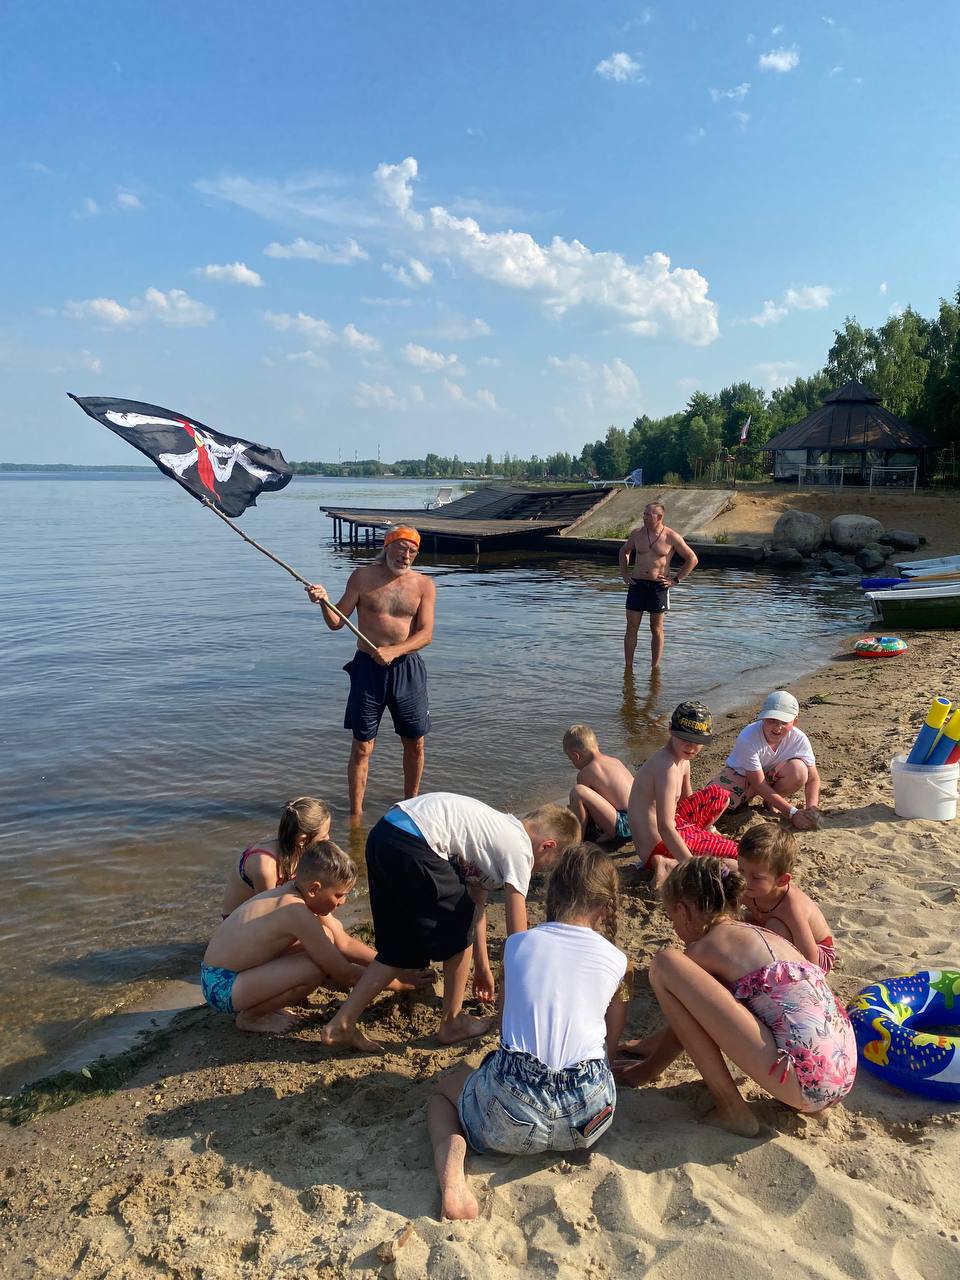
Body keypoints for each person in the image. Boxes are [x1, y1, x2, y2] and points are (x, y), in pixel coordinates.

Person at [427, 844, 627, 1220]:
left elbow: (505, 1026)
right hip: (590, 1117)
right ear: (604, 907)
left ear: (553, 894)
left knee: (444, 1093)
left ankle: (453, 1181)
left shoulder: (518, 944)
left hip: (513, 1114)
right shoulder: (617, 960)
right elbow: (610, 1040)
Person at [319, 793, 582, 1053]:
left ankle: (342, 1023)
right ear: (547, 846)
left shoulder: (492, 835)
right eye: (546, 866)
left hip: (385, 834)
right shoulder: (521, 849)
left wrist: (482, 968)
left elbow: (476, 907)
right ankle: (452, 1022)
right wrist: (515, 994)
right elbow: (518, 938)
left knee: (398, 949)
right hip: (415, 840)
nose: (538, 870)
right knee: (457, 928)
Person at [616, 857, 856, 1135]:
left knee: (665, 964)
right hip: (841, 1076)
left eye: (672, 919)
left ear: (683, 911)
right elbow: (706, 1013)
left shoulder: (703, 949)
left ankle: (731, 1109)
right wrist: (648, 1047)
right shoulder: (757, 933)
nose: (675, 929)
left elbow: (685, 1025)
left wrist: (646, 1070)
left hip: (805, 1083)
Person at [202, 839, 431, 1034]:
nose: (343, 902)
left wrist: (395, 967)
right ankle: (251, 1017)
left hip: (230, 973)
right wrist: (398, 983)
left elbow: (344, 942)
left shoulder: (296, 891)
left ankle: (260, 1002)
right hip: (221, 985)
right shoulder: (295, 911)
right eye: (339, 895)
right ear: (314, 889)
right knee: (313, 970)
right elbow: (343, 973)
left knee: (327, 937)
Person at [306, 525, 436, 816]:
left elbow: (426, 634)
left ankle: (412, 806)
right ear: (387, 547)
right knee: (362, 746)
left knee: (415, 743)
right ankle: (356, 815)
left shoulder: (423, 585)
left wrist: (394, 651)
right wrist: (323, 601)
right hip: (367, 667)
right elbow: (336, 622)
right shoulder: (362, 577)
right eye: (401, 549)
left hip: (406, 668)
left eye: (412, 552)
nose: (406, 556)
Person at [627, 700, 739, 889]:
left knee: (720, 795)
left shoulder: (683, 759)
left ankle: (689, 849)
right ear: (670, 729)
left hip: (674, 826)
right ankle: (667, 864)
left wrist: (698, 832)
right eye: (685, 739)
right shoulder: (667, 768)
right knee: (735, 857)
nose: (691, 747)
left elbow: (688, 802)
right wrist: (693, 866)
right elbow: (665, 827)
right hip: (657, 845)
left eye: (698, 742)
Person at [708, 690, 822, 832]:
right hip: (741, 775)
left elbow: (813, 779)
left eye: (784, 722)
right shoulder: (748, 737)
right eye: (772, 720)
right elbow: (758, 783)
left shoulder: (799, 739)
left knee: (799, 770)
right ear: (762, 718)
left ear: (795, 722)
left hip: (769, 776)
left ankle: (770, 802)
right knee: (714, 803)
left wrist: (812, 809)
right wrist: (792, 813)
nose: (777, 728)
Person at [738, 825, 837, 972]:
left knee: (775, 927)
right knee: (734, 917)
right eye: (741, 870)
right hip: (771, 931)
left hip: (818, 952)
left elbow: (811, 958)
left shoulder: (791, 906)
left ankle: (770, 969)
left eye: (756, 877)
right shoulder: (749, 886)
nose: (745, 880)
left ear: (782, 880)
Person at [221, 796, 331, 917]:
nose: (328, 838)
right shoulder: (266, 867)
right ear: (302, 840)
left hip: (271, 908)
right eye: (323, 836)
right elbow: (269, 913)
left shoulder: (299, 850)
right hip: (240, 920)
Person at [618, 501, 698, 669]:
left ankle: (655, 668)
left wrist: (676, 580)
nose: (644, 517)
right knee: (631, 627)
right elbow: (624, 551)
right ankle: (628, 667)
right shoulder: (637, 534)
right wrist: (624, 573)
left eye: (648, 515)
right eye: (644, 514)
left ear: (659, 517)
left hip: (658, 586)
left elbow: (692, 559)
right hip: (637, 584)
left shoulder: (671, 536)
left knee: (656, 628)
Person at [562, 724, 635, 844]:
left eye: (571, 759)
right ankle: (607, 831)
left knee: (578, 792)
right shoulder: (615, 761)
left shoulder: (586, 773)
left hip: (626, 827)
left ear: (576, 756)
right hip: (643, 820)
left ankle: (577, 840)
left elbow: (586, 811)